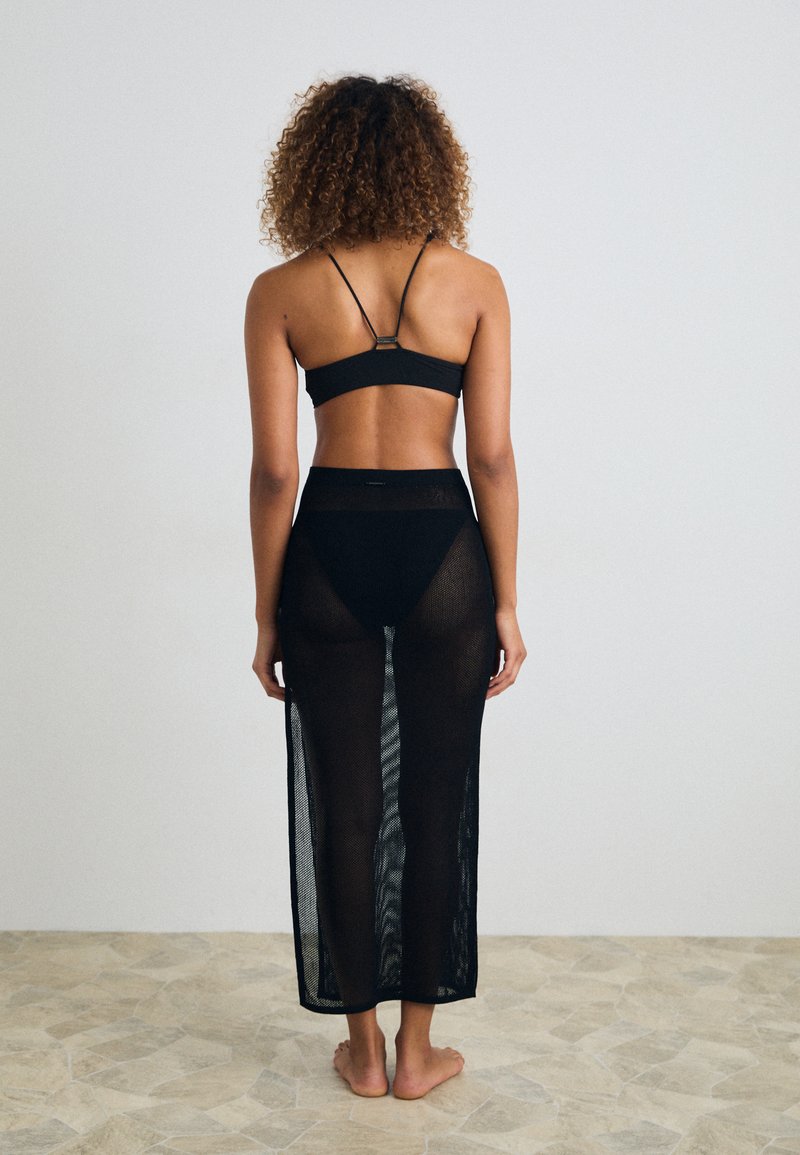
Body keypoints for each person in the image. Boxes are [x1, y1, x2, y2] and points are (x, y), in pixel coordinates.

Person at [245, 72, 525, 1101]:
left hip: (326, 549)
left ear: (313, 166)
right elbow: (489, 456)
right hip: (443, 546)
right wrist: (504, 600)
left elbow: (275, 472)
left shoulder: (281, 291)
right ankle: (418, 1052)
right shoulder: (476, 283)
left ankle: (358, 1048)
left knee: (345, 804)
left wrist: (265, 611)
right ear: (427, 162)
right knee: (436, 800)